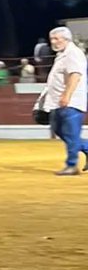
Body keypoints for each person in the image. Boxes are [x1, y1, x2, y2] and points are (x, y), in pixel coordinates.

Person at [40, 26, 88, 176]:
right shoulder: (62, 54)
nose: (53, 42)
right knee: (60, 130)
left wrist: (67, 95)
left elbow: (75, 75)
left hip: (70, 102)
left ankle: (71, 165)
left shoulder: (73, 54)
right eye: (51, 39)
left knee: (71, 132)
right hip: (58, 102)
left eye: (56, 39)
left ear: (66, 39)